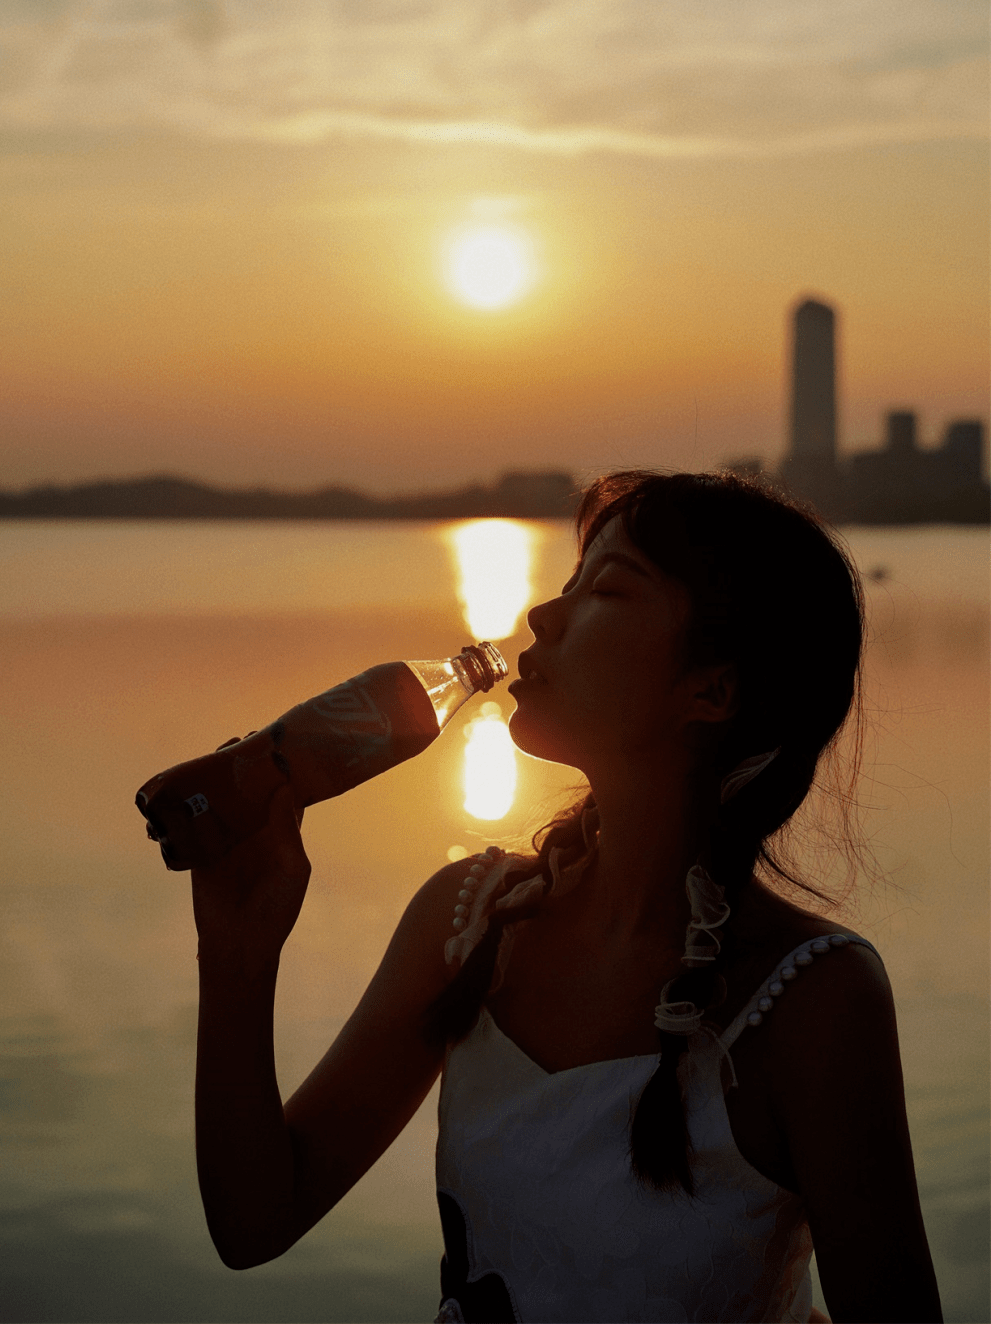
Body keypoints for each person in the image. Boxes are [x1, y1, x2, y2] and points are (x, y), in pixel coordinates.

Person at [191, 470, 942, 1324]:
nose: (542, 618)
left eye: (609, 590)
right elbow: (254, 1222)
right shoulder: (469, 921)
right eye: (565, 587)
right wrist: (240, 951)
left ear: (713, 690)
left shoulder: (811, 999)